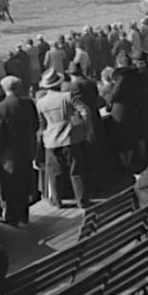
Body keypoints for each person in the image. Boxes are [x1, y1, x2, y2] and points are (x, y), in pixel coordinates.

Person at [37, 68, 91, 209]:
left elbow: (41, 124)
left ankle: (57, 201)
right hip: (70, 137)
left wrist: (44, 136)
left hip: (51, 141)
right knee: (76, 171)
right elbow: (85, 111)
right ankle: (82, 201)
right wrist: (84, 127)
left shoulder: (41, 102)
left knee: (54, 173)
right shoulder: (68, 96)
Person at [0, 76, 39, 225]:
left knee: (10, 186)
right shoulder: (28, 103)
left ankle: (12, 218)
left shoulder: (1, 108)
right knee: (25, 183)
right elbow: (35, 125)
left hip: (8, 154)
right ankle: (24, 215)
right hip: (26, 149)